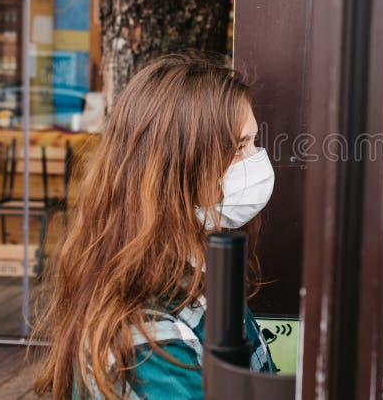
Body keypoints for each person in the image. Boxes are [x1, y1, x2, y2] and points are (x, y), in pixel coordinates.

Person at [33, 54, 278, 399]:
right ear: (180, 166)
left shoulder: (197, 276)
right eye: (240, 147)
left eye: (253, 143)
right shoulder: (150, 339)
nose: (257, 160)